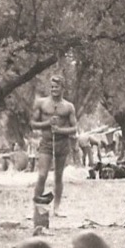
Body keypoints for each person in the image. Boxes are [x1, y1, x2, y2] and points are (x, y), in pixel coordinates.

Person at [31, 76, 78, 217]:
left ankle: (56, 208)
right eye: (52, 87)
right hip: (46, 143)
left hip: (62, 144)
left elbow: (74, 128)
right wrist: (47, 123)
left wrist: (59, 130)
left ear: (63, 88)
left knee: (58, 176)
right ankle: (37, 208)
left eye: (56, 87)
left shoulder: (68, 106)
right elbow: (33, 124)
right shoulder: (42, 103)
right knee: (42, 175)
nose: (54, 89)